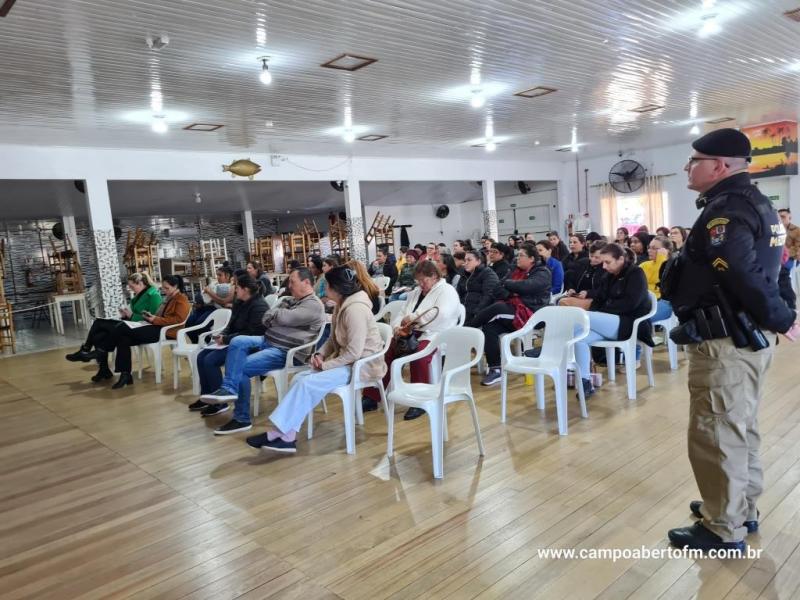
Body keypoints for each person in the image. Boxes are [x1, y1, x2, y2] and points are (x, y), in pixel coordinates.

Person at [664, 128, 799, 554]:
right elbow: (777, 270)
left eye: (694, 160)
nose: (688, 167)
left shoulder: (727, 210)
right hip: (744, 337)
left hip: (724, 342)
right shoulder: (759, 203)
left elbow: (742, 272)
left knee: (716, 431)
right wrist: (784, 315)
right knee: (739, 426)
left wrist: (782, 317)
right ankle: (740, 507)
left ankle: (723, 528)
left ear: (720, 166)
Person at [246, 265, 387, 453]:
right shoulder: (343, 305)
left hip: (363, 366)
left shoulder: (355, 310)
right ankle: (287, 435)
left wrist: (325, 365)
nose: (324, 288)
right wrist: (319, 354)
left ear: (336, 288)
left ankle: (279, 434)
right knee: (299, 378)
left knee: (307, 382)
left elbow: (354, 352)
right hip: (348, 362)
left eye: (327, 285)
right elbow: (332, 339)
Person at [199, 268, 326, 430]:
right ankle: (229, 388)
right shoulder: (291, 300)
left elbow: (283, 316)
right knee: (237, 341)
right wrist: (278, 314)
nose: (289, 285)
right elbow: (267, 317)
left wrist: (278, 314)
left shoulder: (313, 305)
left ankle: (242, 418)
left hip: (287, 351)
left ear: (306, 282)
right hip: (269, 341)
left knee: (241, 368)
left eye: (292, 282)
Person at [362, 260, 461, 420]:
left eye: (424, 280)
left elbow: (439, 314)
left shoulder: (447, 291)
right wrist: (397, 328)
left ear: (435, 276)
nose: (421, 284)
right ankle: (372, 396)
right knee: (385, 351)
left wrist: (411, 319)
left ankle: (419, 401)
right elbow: (401, 314)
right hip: (410, 333)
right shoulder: (415, 292)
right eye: (418, 280)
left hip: (435, 334)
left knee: (419, 356)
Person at [571, 243, 652, 398]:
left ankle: (554, 352)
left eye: (607, 262)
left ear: (621, 259)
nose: (604, 266)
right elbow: (599, 298)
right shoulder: (608, 276)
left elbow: (631, 303)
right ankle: (585, 382)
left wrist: (602, 309)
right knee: (579, 336)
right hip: (610, 322)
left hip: (628, 323)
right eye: (603, 262)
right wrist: (598, 307)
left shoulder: (636, 273)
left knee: (580, 316)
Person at [189, 275, 268, 423]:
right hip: (234, 341)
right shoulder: (239, 302)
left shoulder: (259, 306)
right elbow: (230, 324)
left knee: (210, 360)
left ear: (245, 289)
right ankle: (207, 396)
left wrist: (226, 339)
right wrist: (222, 335)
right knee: (201, 356)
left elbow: (252, 333)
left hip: (250, 345)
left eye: (236, 287)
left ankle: (220, 403)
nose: (234, 290)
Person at [472, 243, 551, 385]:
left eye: (521, 255)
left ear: (532, 258)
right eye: (517, 255)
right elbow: (497, 289)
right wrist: (513, 291)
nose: (517, 258)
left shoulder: (542, 272)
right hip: (513, 311)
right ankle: (496, 369)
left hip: (531, 314)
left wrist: (509, 285)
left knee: (498, 307)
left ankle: (469, 328)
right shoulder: (515, 270)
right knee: (489, 327)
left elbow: (528, 286)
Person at [99, 275, 191, 389]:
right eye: (163, 288)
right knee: (123, 339)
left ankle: (102, 349)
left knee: (121, 328)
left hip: (166, 331)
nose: (164, 290)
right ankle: (125, 374)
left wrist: (155, 319)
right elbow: (160, 315)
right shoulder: (168, 299)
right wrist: (150, 317)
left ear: (175, 286)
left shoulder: (181, 299)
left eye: (166, 288)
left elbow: (178, 320)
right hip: (156, 327)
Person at [65, 272, 161, 365]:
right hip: (132, 324)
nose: (131, 289)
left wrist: (131, 316)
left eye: (132, 287)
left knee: (99, 323)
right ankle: (103, 370)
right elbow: (135, 314)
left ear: (140, 284)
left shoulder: (154, 296)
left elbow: (152, 317)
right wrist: (125, 315)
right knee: (99, 334)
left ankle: (86, 350)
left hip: (143, 328)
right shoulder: (139, 296)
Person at [559, 240, 607, 304]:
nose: (592, 259)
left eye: (597, 257)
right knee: (560, 302)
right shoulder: (582, 263)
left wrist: (588, 293)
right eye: (591, 256)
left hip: (595, 300)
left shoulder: (606, 269)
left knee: (564, 303)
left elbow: (604, 290)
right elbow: (572, 280)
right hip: (578, 296)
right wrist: (571, 288)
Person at [640, 235, 673, 322]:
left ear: (666, 251)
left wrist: (662, 259)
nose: (649, 251)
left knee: (640, 319)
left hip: (664, 302)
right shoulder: (644, 265)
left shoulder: (673, 266)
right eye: (649, 247)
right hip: (644, 300)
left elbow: (659, 280)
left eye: (654, 248)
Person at [462, 250, 499, 325]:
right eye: (465, 260)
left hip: (476, 314)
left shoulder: (488, 274)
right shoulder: (467, 275)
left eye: (469, 260)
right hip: (465, 311)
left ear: (478, 261)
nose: (465, 263)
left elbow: (489, 296)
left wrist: (476, 313)